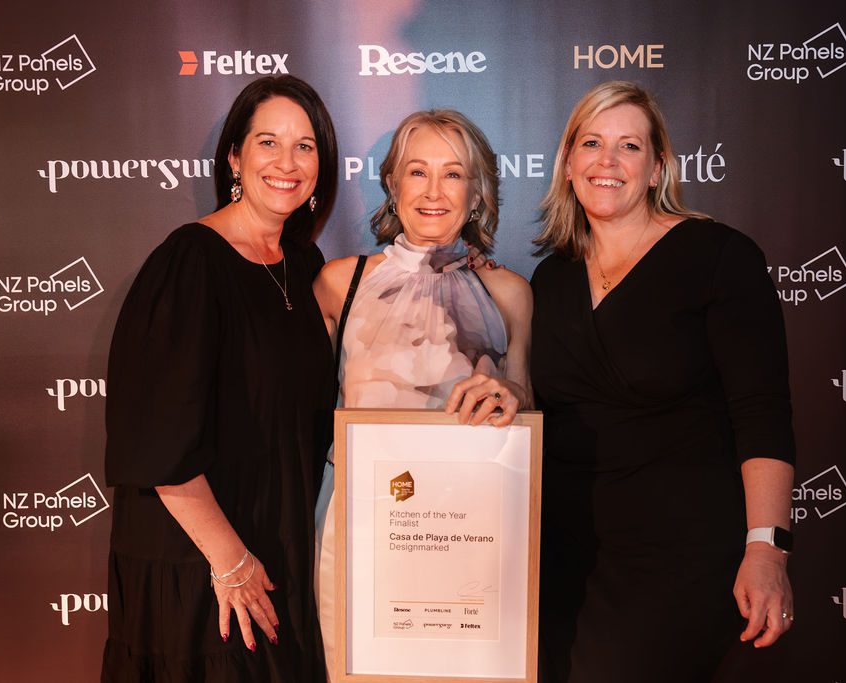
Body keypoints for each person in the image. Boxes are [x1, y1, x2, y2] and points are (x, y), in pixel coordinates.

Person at [530, 81, 796, 682]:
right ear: (568, 163)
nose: (607, 160)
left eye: (629, 146)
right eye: (591, 143)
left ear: (656, 169)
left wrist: (767, 547)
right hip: (568, 557)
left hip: (681, 556)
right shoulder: (551, 279)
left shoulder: (719, 256)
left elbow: (762, 412)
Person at [101, 75, 338, 682]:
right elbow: (155, 439)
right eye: (268, 142)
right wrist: (229, 560)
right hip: (202, 558)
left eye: (305, 146)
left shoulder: (302, 262)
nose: (287, 163)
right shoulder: (190, 261)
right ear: (235, 156)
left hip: (278, 539)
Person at [311, 109, 533, 677]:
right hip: (357, 526)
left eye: (453, 174)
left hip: (468, 528)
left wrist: (510, 396)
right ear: (392, 184)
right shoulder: (339, 283)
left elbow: (527, 411)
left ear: (476, 193)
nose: (433, 191)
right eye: (417, 172)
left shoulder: (509, 292)